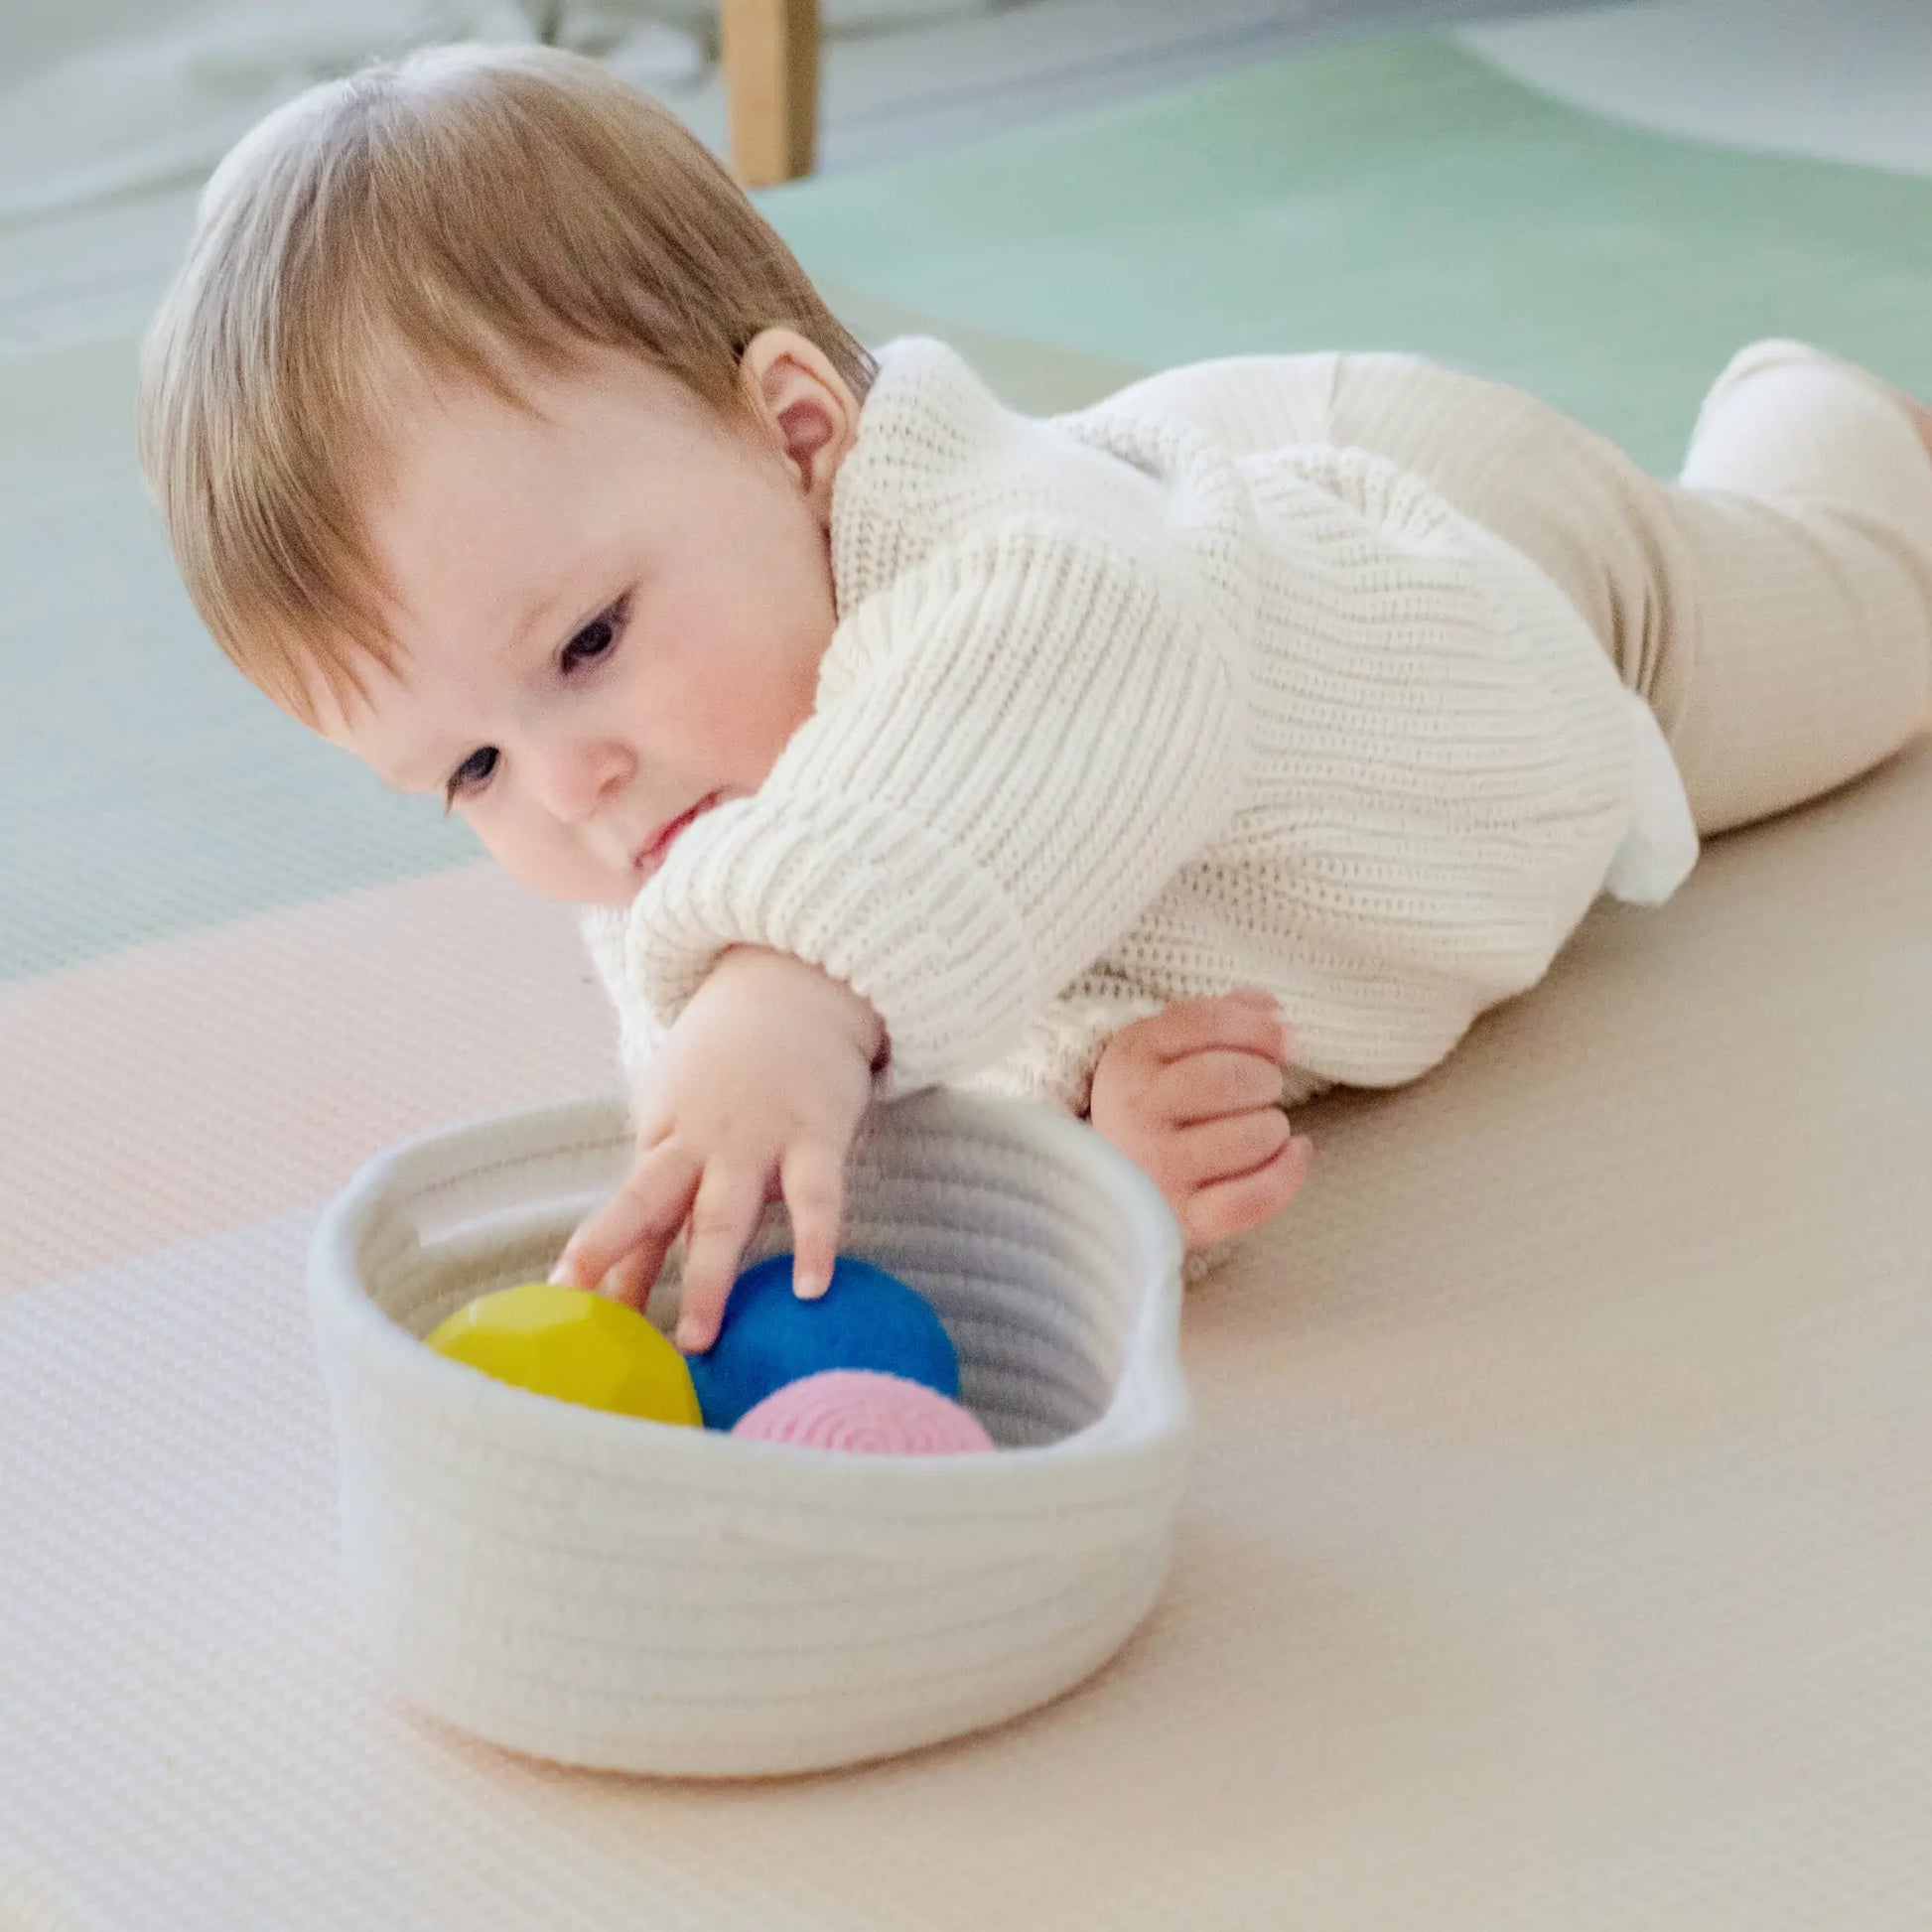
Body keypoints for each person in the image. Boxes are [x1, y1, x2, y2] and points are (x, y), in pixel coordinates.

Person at [138, 44, 1932, 1351]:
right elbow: (866, 1127)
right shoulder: (683, 867)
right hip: (1171, 473)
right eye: (465, 766)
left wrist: (786, 998)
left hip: (1463, 564)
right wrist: (1090, 1154)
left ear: (797, 435)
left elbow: (1012, 710)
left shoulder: (1024, 595)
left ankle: (1821, 408)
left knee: (1863, 617)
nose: (567, 785)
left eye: (588, 642)